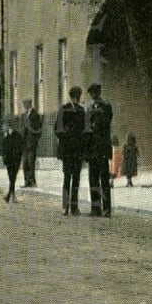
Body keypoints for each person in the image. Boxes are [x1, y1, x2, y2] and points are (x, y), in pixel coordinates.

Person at [55, 86, 86, 216]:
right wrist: (67, 137)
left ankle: (74, 207)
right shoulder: (64, 109)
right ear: (72, 96)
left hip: (77, 151)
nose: (77, 98)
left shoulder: (81, 110)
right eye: (75, 96)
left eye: (78, 96)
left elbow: (85, 130)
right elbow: (57, 129)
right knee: (67, 178)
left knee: (77, 179)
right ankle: (65, 206)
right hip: (67, 150)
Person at [86, 83, 113, 217]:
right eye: (92, 94)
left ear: (99, 93)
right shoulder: (89, 108)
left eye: (96, 93)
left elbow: (107, 123)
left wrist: (97, 117)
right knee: (93, 179)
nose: (94, 95)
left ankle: (107, 209)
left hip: (102, 148)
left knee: (104, 179)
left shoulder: (106, 106)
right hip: (92, 149)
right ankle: (95, 207)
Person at [20, 99, 43, 187]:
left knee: (31, 163)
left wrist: (34, 140)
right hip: (24, 143)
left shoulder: (35, 115)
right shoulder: (24, 115)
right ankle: (26, 181)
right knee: (25, 163)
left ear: (29, 104)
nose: (24, 106)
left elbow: (39, 130)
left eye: (25, 104)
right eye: (24, 104)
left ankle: (32, 181)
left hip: (32, 143)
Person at [2, 121, 24, 203]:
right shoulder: (6, 136)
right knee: (11, 178)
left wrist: (18, 156)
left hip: (15, 160)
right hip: (8, 160)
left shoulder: (17, 136)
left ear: (8, 127)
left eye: (4, 126)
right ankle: (11, 196)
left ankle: (10, 196)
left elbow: (20, 147)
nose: (3, 128)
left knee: (12, 178)